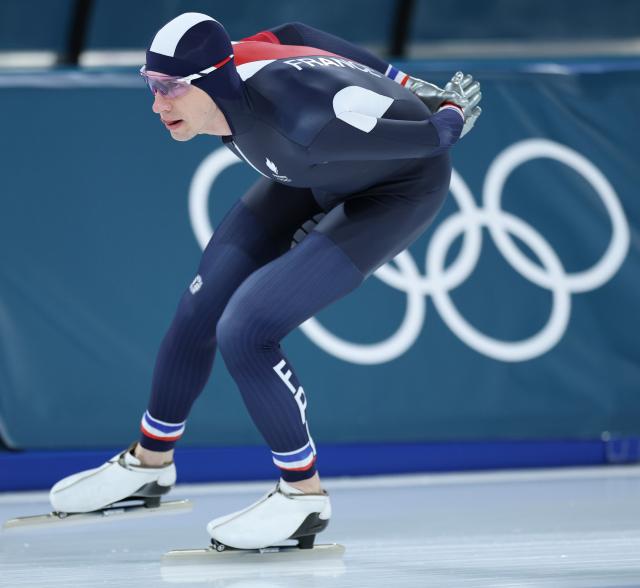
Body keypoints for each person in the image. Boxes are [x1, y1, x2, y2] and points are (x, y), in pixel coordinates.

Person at [49, 13, 481, 550]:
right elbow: (298, 33)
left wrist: (449, 111)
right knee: (198, 308)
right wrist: (402, 78)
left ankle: (303, 497)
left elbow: (429, 142)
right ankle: (148, 464)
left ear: (211, 80)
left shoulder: (301, 121)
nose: (157, 105)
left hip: (394, 186)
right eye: (152, 85)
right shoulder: (233, 62)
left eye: (171, 89)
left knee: (247, 329)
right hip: (311, 168)